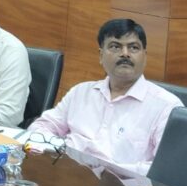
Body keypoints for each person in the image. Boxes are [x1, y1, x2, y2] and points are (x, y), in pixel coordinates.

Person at [28, 18, 183, 175]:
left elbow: (167, 170)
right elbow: (42, 127)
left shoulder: (166, 107)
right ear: (101, 56)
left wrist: (110, 170)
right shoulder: (81, 92)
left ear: (145, 56)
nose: (125, 54)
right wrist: (59, 150)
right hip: (65, 176)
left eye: (133, 48)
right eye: (115, 46)